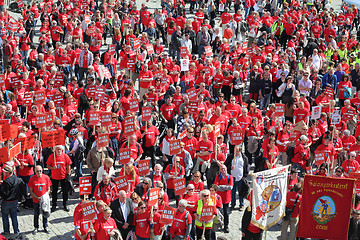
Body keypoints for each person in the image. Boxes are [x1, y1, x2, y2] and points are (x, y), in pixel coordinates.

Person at [47, 145, 72, 212]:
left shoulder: (65, 156)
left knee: (65, 192)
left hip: (64, 177)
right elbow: (48, 165)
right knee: (54, 192)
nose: (59, 151)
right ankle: (54, 205)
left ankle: (65, 204)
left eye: (60, 149)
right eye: (57, 149)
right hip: (54, 177)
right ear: (55, 150)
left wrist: (68, 174)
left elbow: (68, 165)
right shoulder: (52, 156)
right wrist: (52, 168)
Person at [28, 165, 52, 234]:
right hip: (36, 200)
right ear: (35, 171)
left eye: (40, 171)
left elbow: (48, 189)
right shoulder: (32, 178)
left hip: (44, 200)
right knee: (36, 213)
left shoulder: (46, 177)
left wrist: (44, 197)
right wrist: (36, 197)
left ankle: (45, 226)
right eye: (37, 171)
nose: (39, 172)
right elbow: (31, 190)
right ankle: (36, 227)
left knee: (45, 212)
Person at [0, 165, 22, 237]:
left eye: (4, 172)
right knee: (14, 217)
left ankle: (6, 231)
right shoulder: (16, 179)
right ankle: (16, 231)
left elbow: (4, 193)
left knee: (5, 216)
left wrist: (1, 186)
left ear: (7, 173)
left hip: (7, 202)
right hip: (15, 201)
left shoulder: (6, 181)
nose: (3, 173)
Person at [214, 164, 234, 233]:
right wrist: (225, 187)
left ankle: (226, 226)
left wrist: (221, 187)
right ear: (220, 170)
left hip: (226, 198)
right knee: (218, 212)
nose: (223, 170)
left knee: (226, 213)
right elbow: (216, 187)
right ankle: (218, 224)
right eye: (222, 169)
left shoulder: (230, 177)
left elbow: (231, 187)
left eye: (224, 169)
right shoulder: (217, 177)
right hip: (219, 198)